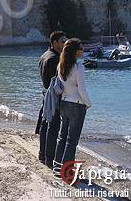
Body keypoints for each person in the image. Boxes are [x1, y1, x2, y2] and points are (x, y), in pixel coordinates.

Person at [54, 38, 91, 168]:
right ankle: (67, 172)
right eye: (81, 48)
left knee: (62, 137)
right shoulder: (79, 67)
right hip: (76, 105)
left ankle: (57, 167)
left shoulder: (61, 65)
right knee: (72, 141)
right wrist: (88, 103)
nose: (83, 50)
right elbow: (81, 89)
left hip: (64, 103)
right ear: (75, 52)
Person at [37, 31, 67, 168]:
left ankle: (42, 154)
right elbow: (58, 82)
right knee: (53, 127)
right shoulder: (55, 58)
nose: (65, 44)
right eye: (62, 41)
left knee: (45, 124)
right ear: (54, 43)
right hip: (53, 96)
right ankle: (49, 158)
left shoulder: (44, 55)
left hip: (45, 94)